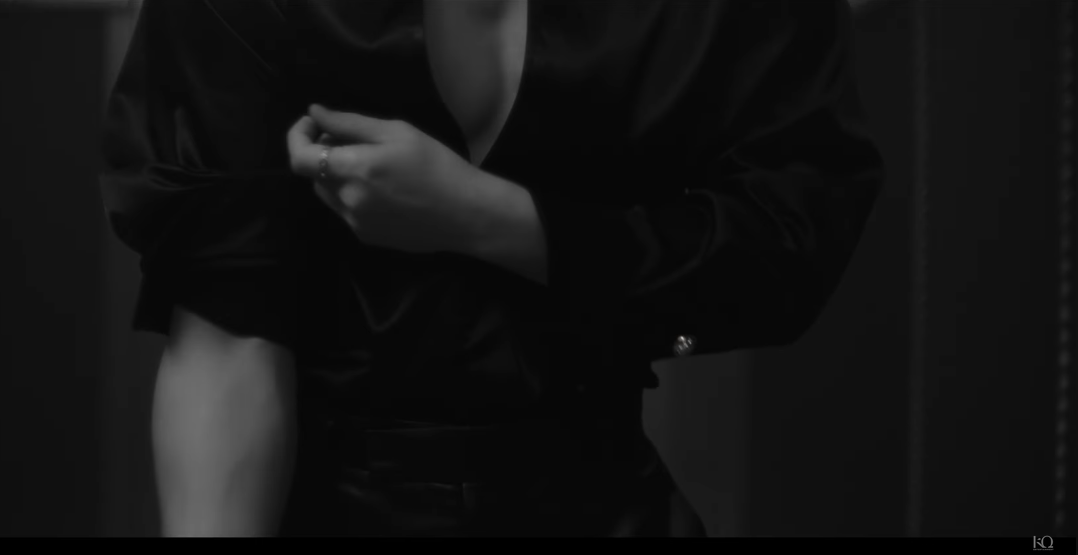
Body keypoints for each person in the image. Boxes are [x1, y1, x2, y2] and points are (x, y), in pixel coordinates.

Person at [100, 0, 884, 538]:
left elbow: (784, 253)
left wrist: (487, 217)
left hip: (607, 496)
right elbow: (227, 335)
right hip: (334, 500)